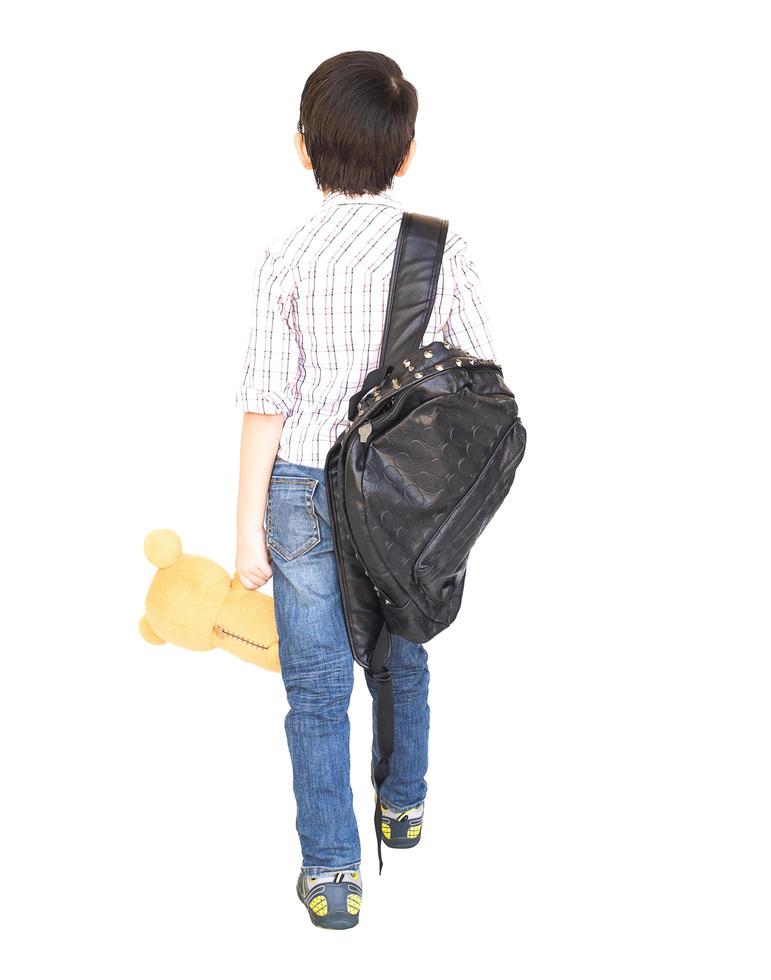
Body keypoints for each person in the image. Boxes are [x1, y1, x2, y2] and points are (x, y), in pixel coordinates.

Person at [234, 50, 498, 930]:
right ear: (408, 151)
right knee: (403, 653)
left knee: (313, 691)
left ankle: (331, 873)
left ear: (302, 150)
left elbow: (265, 405)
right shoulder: (441, 246)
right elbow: (482, 381)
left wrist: (244, 536)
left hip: (304, 489)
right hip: (405, 497)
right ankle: (405, 804)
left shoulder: (285, 257)